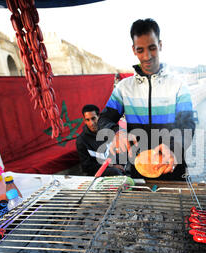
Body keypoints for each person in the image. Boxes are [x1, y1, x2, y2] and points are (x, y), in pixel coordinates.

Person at [97, 18, 195, 181]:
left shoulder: (178, 86)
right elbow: (104, 119)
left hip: (171, 166)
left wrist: (174, 147)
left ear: (160, 45)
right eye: (140, 50)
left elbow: (188, 125)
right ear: (134, 50)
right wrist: (116, 132)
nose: (147, 56)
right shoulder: (123, 87)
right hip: (138, 169)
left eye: (152, 48)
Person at [76, 104, 125, 176]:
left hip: (119, 168)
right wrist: (111, 166)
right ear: (84, 121)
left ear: (99, 117)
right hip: (98, 174)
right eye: (87, 120)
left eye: (93, 118)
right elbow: (87, 167)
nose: (91, 123)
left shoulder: (110, 130)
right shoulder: (82, 141)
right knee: (115, 172)